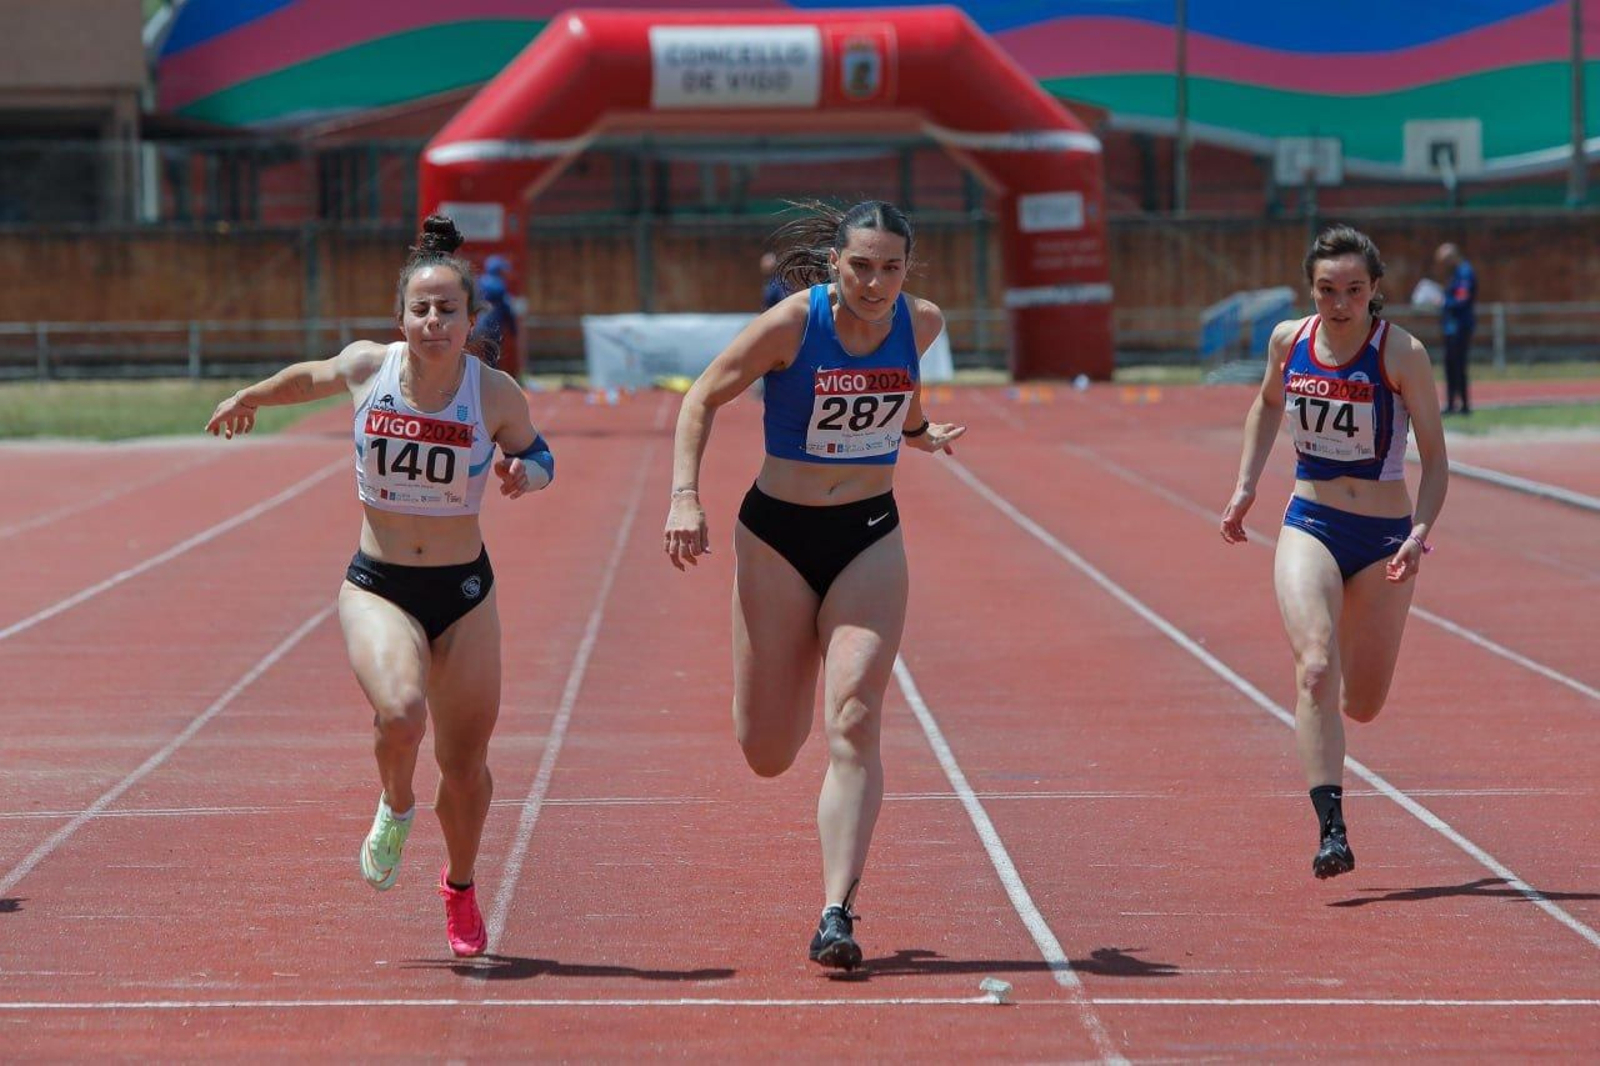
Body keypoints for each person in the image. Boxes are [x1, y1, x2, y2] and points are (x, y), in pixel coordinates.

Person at [205, 215, 555, 956]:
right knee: (400, 715)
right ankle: (395, 806)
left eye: (447, 310)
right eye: (420, 309)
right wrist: (250, 396)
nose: (434, 322)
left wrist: (528, 473)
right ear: (401, 319)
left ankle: (459, 886)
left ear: (470, 321)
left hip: (465, 595)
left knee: (466, 768)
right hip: (380, 585)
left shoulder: (494, 394)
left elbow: (540, 452)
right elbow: (310, 377)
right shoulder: (371, 368)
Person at [664, 200, 965, 969]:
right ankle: (778, 697)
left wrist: (919, 431)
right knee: (768, 749)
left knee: (855, 715)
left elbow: (902, 386)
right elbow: (701, 396)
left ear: (908, 268)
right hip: (778, 540)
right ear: (835, 263)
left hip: (869, 537)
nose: (875, 283)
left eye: (891, 268)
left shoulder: (921, 322)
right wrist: (684, 497)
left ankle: (837, 912)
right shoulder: (794, 324)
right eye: (861, 266)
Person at [1219, 224, 1447, 880]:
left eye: (1352, 289)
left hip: (1383, 540)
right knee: (1316, 667)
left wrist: (1417, 534)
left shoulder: (1401, 353)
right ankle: (1332, 830)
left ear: (1374, 290)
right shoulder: (1289, 341)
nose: (1339, 303)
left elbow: (1436, 461)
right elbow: (1266, 405)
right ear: (1311, 289)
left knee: (1362, 703)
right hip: (1310, 522)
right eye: (1326, 290)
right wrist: (1245, 485)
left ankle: (1342, 688)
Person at [1433, 242, 1477, 414]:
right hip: (1451, 326)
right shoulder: (1456, 273)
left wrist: (1443, 302)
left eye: (1445, 261)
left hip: (1460, 326)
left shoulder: (1465, 272)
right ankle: (1451, 403)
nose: (1444, 266)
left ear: (1452, 257)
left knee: (1459, 365)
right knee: (1450, 365)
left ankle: (1464, 405)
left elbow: (1462, 298)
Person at [473, 273, 521, 385]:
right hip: (493, 330)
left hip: (477, 328)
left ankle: (479, 381)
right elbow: (508, 312)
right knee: (492, 357)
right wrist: (514, 330)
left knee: (478, 356)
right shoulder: (499, 288)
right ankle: (491, 383)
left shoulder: (480, 283)